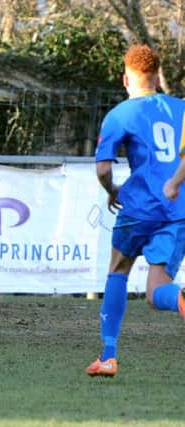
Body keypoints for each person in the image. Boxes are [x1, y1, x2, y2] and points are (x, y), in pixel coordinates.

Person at [86, 44, 185, 378]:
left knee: (118, 269)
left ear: (125, 78)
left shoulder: (120, 114)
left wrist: (111, 191)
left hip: (139, 207)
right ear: (157, 78)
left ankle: (108, 356)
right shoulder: (182, 108)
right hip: (177, 210)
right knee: (157, 292)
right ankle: (181, 299)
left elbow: (102, 169)